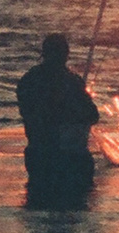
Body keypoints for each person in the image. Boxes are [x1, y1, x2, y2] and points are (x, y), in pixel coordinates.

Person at [16, 33, 99, 204]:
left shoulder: (28, 80)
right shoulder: (73, 82)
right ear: (66, 54)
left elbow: (27, 111)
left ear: (44, 53)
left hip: (38, 157)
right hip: (72, 160)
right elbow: (93, 115)